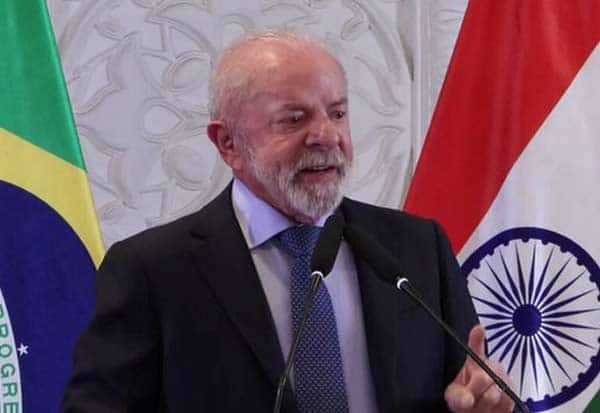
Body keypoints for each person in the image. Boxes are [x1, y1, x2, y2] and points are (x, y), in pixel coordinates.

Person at [63, 31, 514, 413]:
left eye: (337, 113)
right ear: (228, 143)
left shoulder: (415, 248)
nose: (326, 136)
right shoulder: (153, 270)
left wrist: (483, 406)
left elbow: (468, 390)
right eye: (294, 119)